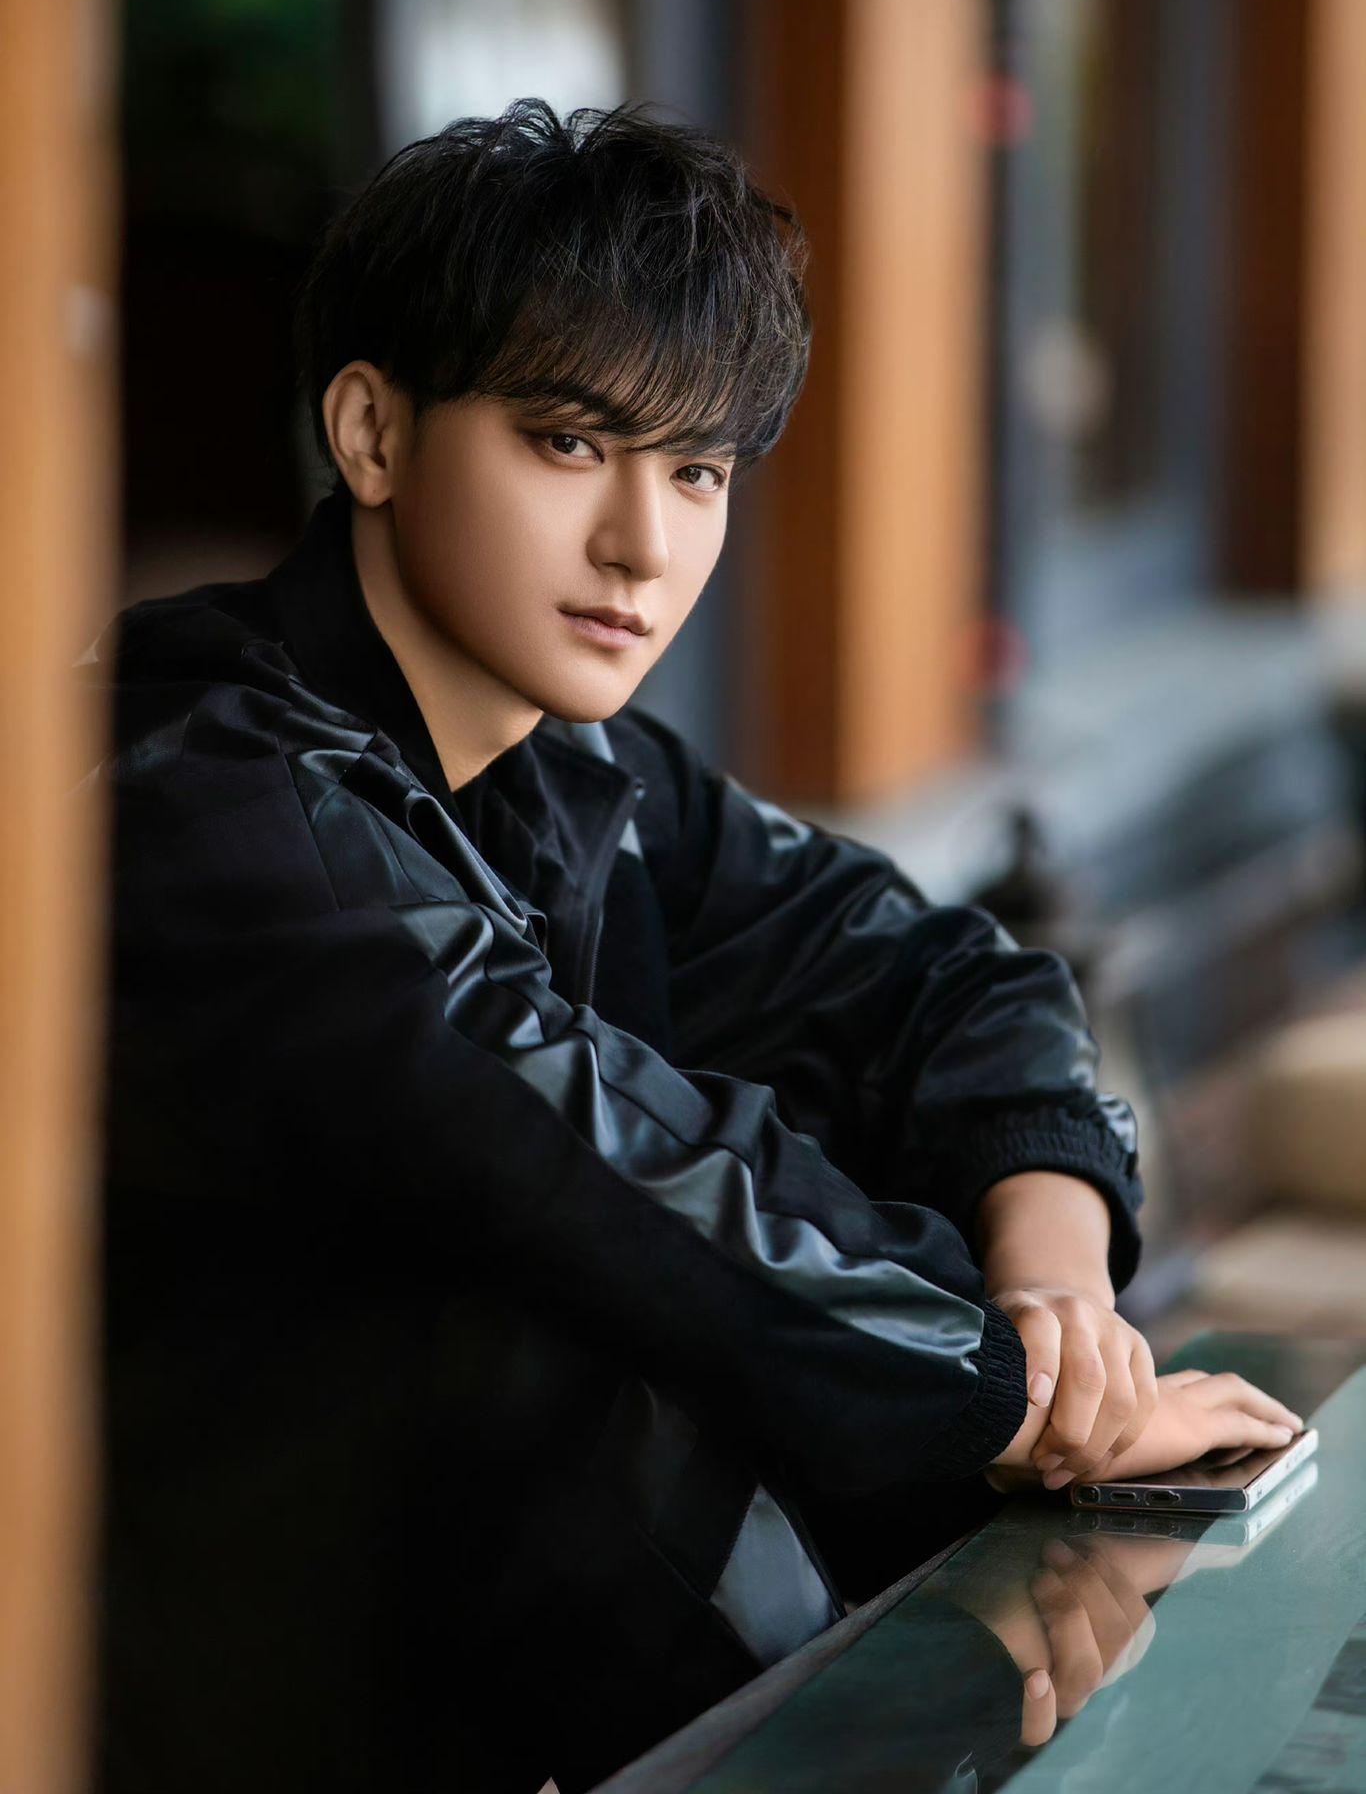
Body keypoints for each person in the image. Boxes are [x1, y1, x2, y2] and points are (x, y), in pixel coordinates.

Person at [82, 99, 1303, 1794]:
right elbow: (598, 1164)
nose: (641, 549)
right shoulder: (211, 797)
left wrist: (1055, 1296)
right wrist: (1021, 1395)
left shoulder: (573, 765)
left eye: (697, 471)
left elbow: (941, 977)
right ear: (371, 431)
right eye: (566, 443)